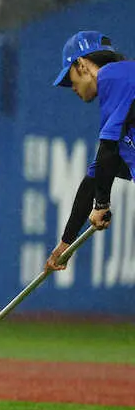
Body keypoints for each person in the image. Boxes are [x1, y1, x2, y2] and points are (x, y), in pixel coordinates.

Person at [46, 31, 131, 273]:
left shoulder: (114, 77)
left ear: (81, 64)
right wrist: (65, 244)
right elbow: (95, 177)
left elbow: (108, 148)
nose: (72, 87)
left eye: (70, 78)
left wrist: (102, 203)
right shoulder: (122, 91)